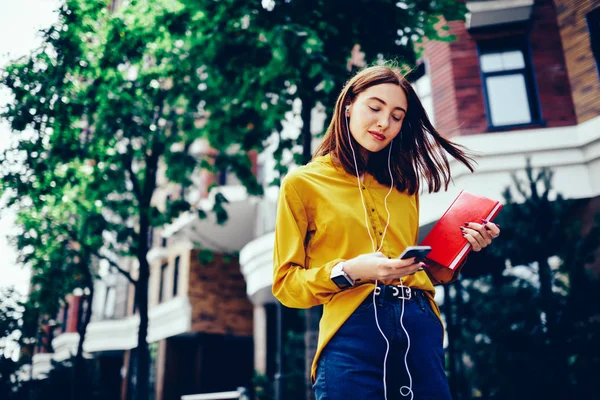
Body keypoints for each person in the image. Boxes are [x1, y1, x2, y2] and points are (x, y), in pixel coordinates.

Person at [272, 64, 501, 400]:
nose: (384, 123)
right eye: (375, 108)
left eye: (397, 116)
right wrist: (350, 271)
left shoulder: (404, 185)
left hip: (419, 326)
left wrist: (462, 248)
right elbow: (286, 285)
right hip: (352, 332)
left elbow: (422, 273)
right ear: (349, 104)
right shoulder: (302, 184)